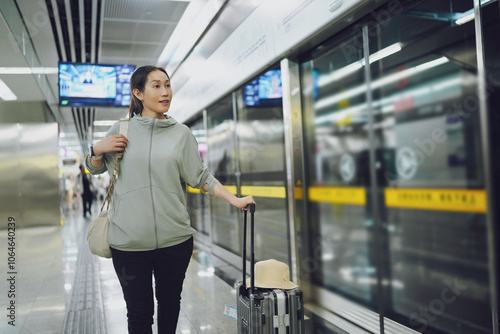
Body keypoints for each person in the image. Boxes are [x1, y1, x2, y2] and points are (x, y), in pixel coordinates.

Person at [85, 65, 255, 334]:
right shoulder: (121, 129)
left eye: (167, 85)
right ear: (138, 93)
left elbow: (201, 177)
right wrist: (96, 149)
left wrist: (234, 200)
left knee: (170, 305)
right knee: (139, 314)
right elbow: (94, 168)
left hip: (174, 241)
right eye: (156, 86)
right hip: (129, 243)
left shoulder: (181, 133)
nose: (165, 92)